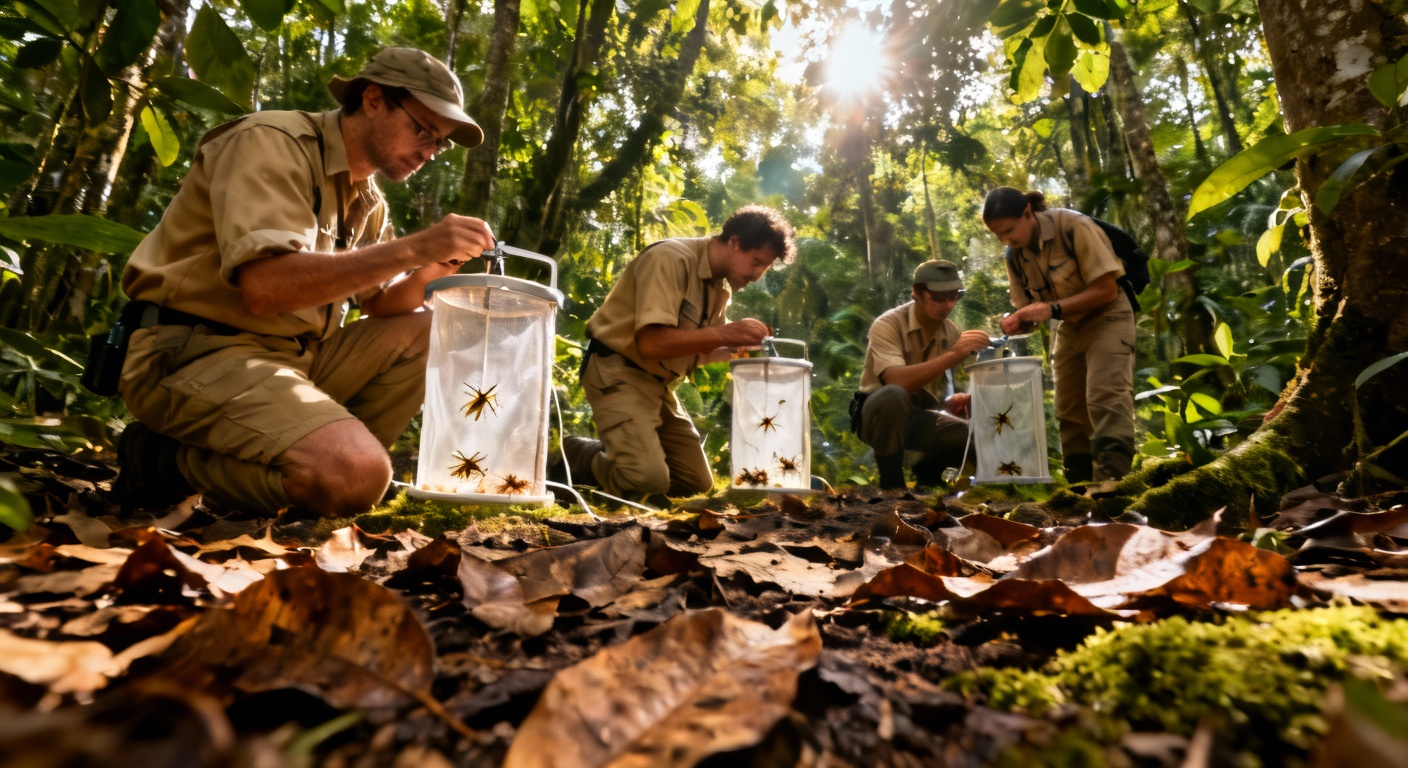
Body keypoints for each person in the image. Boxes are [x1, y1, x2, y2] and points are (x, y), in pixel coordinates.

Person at [112, 47, 497, 518]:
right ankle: (163, 462)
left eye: (439, 143)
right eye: (422, 130)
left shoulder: (368, 199)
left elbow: (381, 304)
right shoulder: (271, 141)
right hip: (194, 352)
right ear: (373, 99)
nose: (429, 152)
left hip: (293, 361)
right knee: (356, 475)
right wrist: (415, 247)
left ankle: (321, 468)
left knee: (433, 330)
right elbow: (266, 287)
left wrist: (437, 266)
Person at [561, 206, 797, 502]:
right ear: (735, 242)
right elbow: (650, 343)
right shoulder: (670, 259)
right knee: (646, 479)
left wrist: (732, 349)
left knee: (695, 482)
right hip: (617, 371)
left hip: (658, 385)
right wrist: (725, 333)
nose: (757, 275)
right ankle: (574, 457)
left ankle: (622, 460)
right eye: (756, 262)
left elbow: (693, 349)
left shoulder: (719, 288)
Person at [983, 187, 1136, 484]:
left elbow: (1107, 289)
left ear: (1028, 212)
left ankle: (1114, 480)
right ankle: (1078, 486)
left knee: (1105, 396)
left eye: (1010, 230)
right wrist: (1020, 321)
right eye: (998, 235)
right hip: (1067, 324)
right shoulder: (1015, 256)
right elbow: (1032, 310)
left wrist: (1050, 309)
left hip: (1108, 315)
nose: (1006, 240)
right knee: (1068, 408)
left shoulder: (1075, 227)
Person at [850, 260, 991, 490]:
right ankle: (892, 484)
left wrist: (961, 399)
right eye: (937, 298)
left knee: (969, 434)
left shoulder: (950, 331)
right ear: (916, 293)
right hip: (877, 415)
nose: (946, 305)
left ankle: (929, 478)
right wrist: (954, 354)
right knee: (894, 396)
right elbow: (896, 381)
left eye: (953, 297)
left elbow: (947, 386)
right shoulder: (887, 324)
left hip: (918, 416)